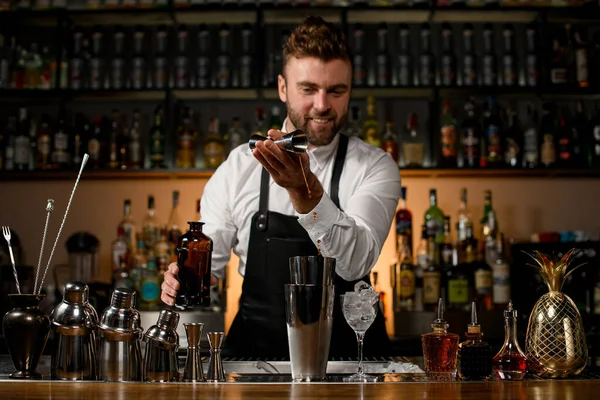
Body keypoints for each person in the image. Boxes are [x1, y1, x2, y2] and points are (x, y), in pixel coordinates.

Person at [161, 16, 402, 359]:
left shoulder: (374, 166)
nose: (322, 105)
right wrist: (184, 277)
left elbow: (355, 263)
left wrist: (306, 195)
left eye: (336, 91)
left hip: (349, 366)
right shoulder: (238, 168)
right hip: (255, 363)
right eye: (308, 89)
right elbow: (207, 264)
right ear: (283, 88)